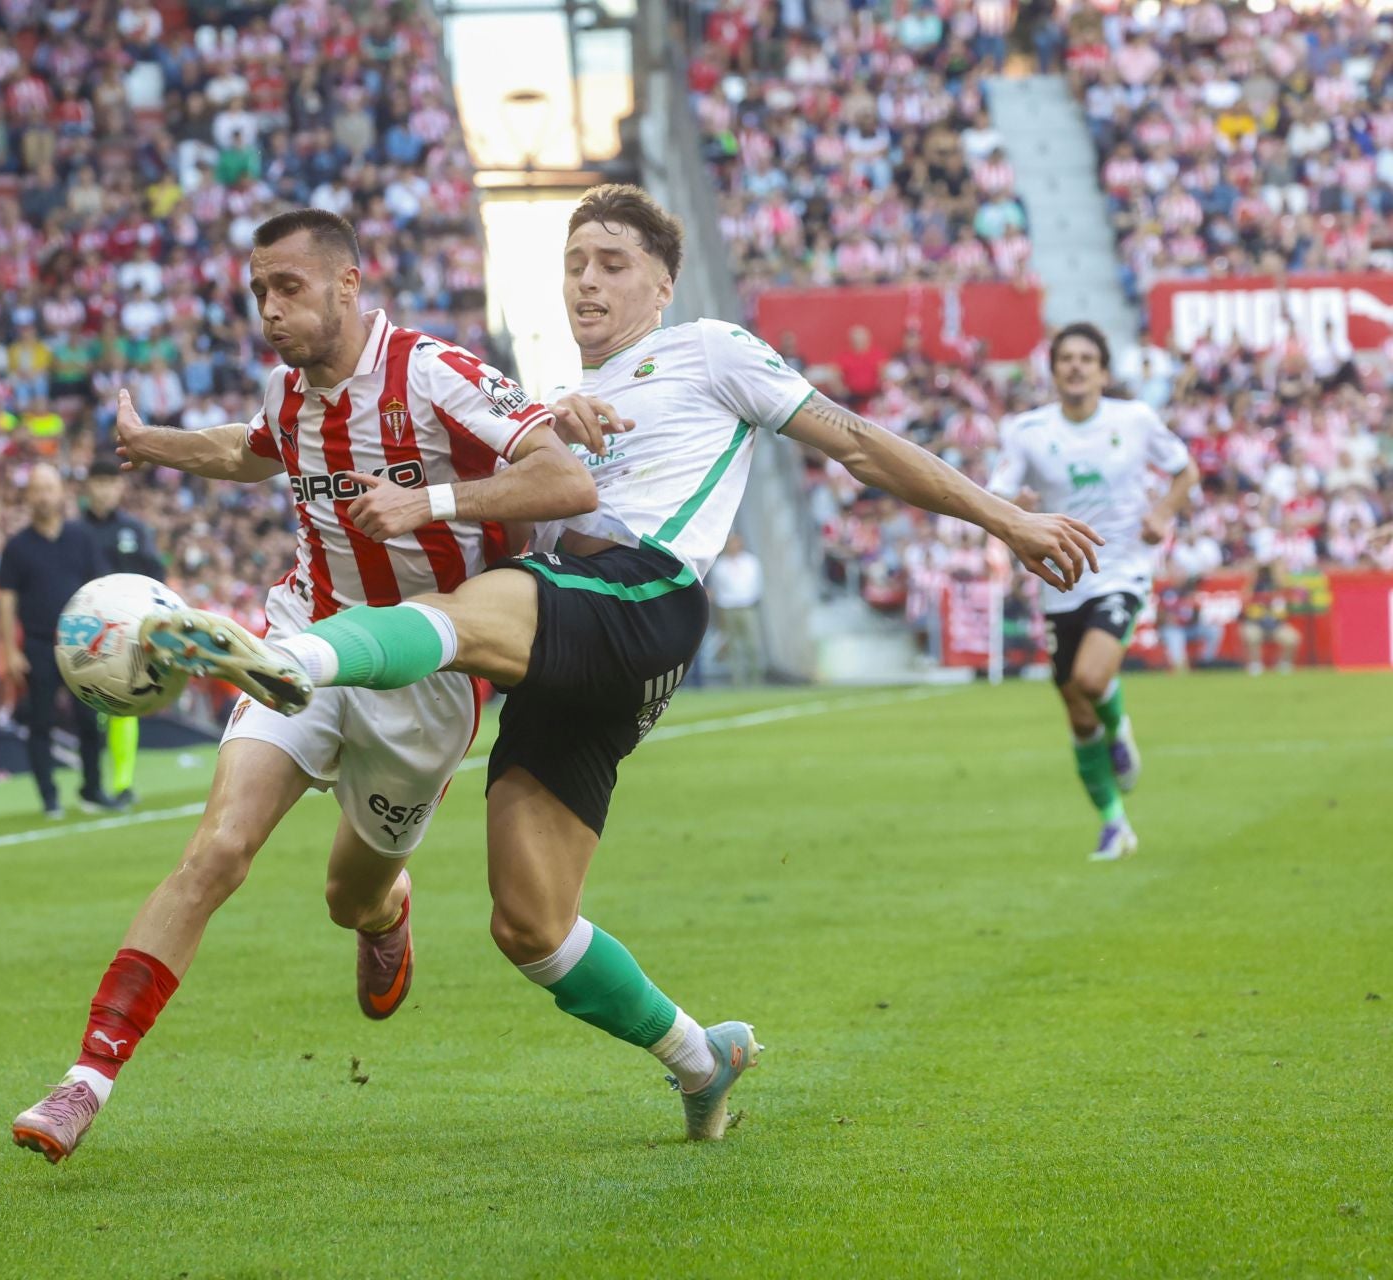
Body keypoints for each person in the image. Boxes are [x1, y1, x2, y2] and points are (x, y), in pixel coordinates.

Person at [146, 185, 1101, 1140]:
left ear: (663, 283)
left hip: (641, 596)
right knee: (528, 925)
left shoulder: (710, 349)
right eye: (573, 265)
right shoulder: (555, 394)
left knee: (441, 612)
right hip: (570, 630)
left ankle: (286, 657)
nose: (587, 283)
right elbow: (483, 490)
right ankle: (700, 1055)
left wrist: (1006, 518)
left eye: (611, 264)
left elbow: (855, 444)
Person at [8, 208, 597, 1164]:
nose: (270, 310)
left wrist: (432, 500)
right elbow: (250, 451)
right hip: (300, 647)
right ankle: (84, 1083)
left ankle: (388, 910)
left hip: (427, 677)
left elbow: (566, 481)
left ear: (348, 285)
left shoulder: (433, 372)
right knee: (219, 851)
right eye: (258, 293)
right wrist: (152, 442)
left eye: (288, 288)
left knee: (346, 898)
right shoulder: (289, 397)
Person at [986, 322, 1198, 861]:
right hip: (1060, 581)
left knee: (1091, 678)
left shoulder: (1136, 419)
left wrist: (1163, 512)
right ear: (1054, 371)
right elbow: (997, 495)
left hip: (1121, 568)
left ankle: (1119, 725)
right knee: (1078, 713)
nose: (1076, 366)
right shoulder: (1027, 431)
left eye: (1086, 358)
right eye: (1066, 359)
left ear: (1104, 371)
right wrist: (1011, 533)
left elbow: (1185, 471)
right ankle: (1114, 823)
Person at [0, 463, 113, 819]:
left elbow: (99, 590)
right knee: (40, 722)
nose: (44, 496)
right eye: (37, 489)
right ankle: (49, 798)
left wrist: (107, 637)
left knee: (90, 719)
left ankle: (93, 789)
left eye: (49, 488)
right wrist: (11, 650)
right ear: (28, 497)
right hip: (38, 644)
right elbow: (5, 599)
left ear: (61, 493)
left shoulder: (81, 538)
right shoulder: (17, 547)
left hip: (81, 644)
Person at [79, 457, 169, 811]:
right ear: (87, 487)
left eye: (109, 482)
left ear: (119, 487)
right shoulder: (75, 532)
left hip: (129, 633)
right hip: (87, 632)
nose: (103, 489)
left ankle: (122, 784)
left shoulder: (134, 530)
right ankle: (92, 784)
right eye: (97, 482)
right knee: (88, 710)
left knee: (122, 705)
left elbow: (155, 575)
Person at [707, 533, 764, 685]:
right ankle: (738, 681)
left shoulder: (750, 562)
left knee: (752, 644)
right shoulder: (720, 565)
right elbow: (718, 590)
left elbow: (757, 584)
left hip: (747, 606)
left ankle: (755, 680)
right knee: (733, 646)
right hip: (728, 608)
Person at [1239, 566, 1300, 676]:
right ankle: (1255, 665)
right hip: (1255, 624)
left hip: (1276, 625)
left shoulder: (1279, 589)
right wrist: (1255, 577)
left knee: (1292, 638)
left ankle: (1284, 665)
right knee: (1251, 635)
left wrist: (1278, 574)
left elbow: (1290, 596)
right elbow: (1244, 597)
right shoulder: (1255, 586)